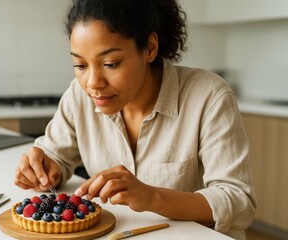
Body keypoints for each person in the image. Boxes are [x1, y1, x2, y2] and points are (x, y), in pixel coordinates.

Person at [14, 0, 257, 239]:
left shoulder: (209, 96)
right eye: (80, 65)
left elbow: (238, 203)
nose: (92, 83)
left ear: (150, 47)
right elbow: (55, 156)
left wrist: (151, 197)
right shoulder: (79, 96)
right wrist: (43, 168)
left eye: (110, 63)